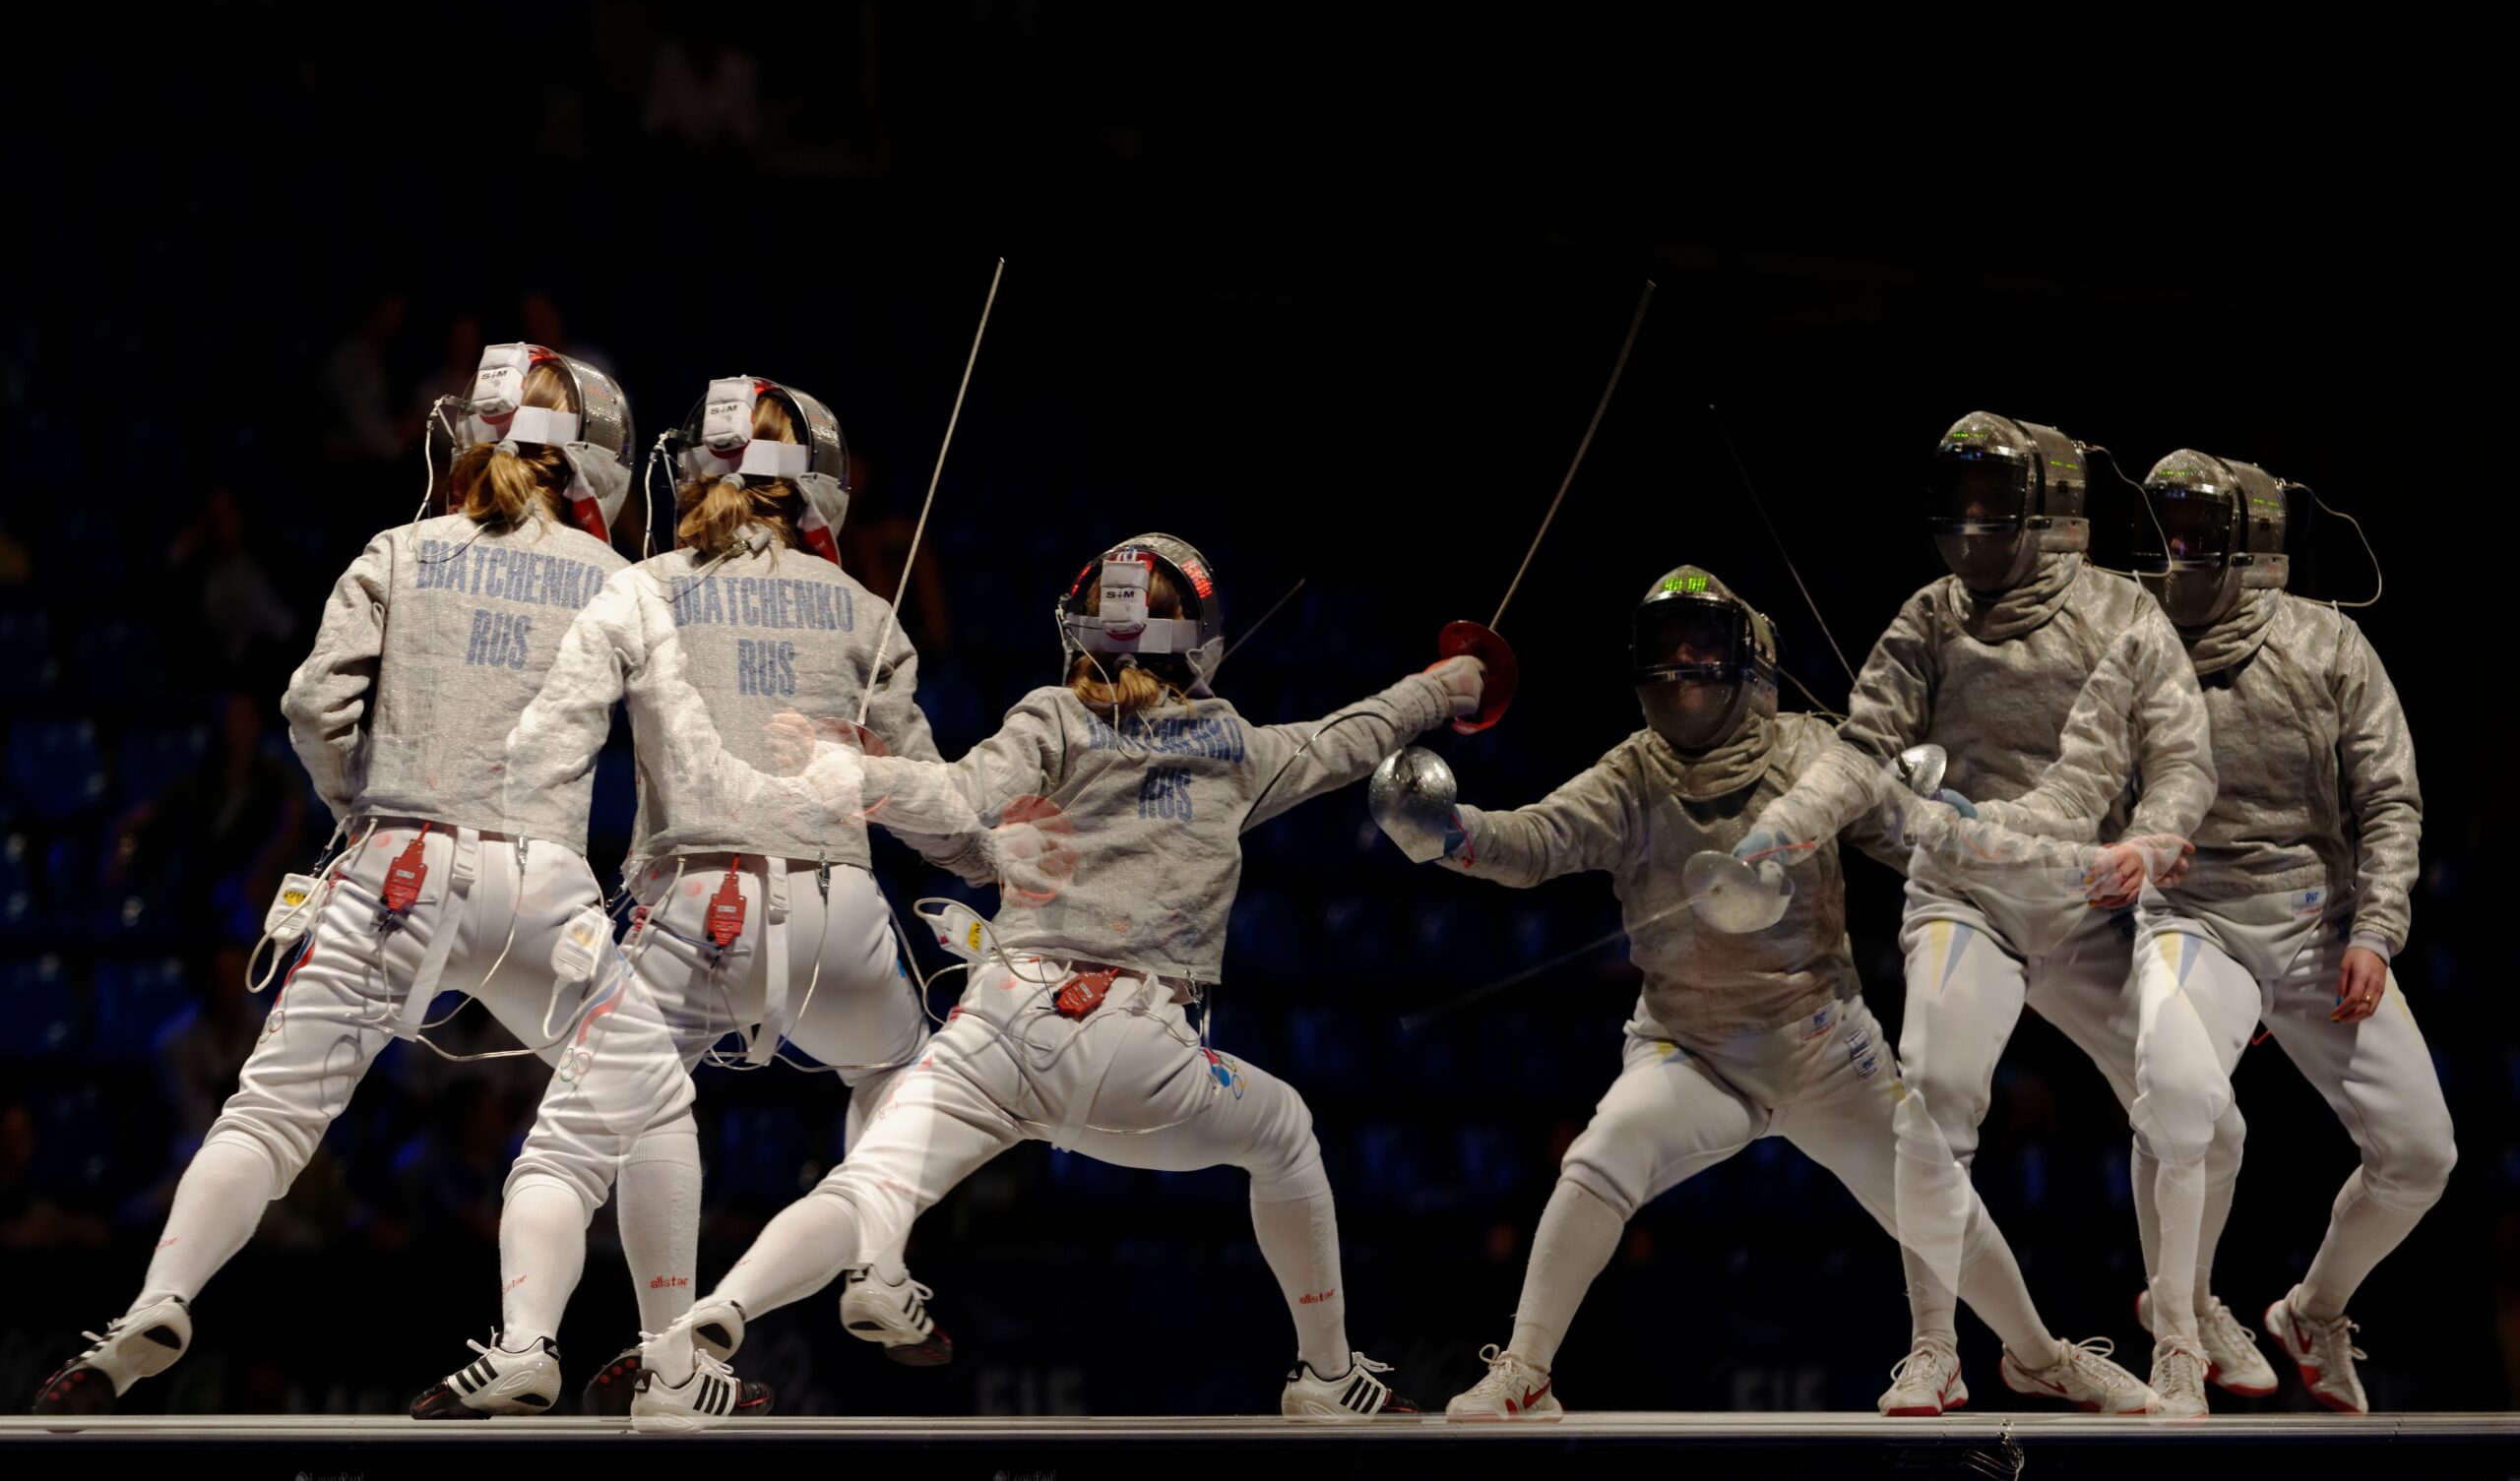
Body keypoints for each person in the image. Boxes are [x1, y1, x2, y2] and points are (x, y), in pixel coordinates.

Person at [620, 533, 1484, 1425]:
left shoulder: (1050, 717)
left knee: (866, 1186)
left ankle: (713, 1314)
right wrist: (1449, 685)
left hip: (995, 1023)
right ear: (1198, 636)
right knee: (1286, 1133)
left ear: (1082, 631)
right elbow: (1353, 739)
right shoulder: (1234, 750)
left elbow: (957, 794)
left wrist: (851, 774)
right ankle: (1327, 1378)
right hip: (1136, 1049)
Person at [31, 346, 654, 1415]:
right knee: (645, 1102)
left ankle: (157, 1303)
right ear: (594, 463)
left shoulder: (399, 550)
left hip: (392, 867)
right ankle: (574, 1343)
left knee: (269, 1117)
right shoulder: (617, 583)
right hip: (539, 883)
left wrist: (359, 808)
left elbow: (311, 708)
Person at [1381, 567, 2156, 1419]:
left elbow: (1921, 837)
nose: (1680, 663)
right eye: (1663, 646)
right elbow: (1535, 840)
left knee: (1934, 1194)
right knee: (1601, 1157)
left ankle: (2039, 1357)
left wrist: (2036, 858)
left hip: (1824, 1049)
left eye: (1700, 642)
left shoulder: (1810, 755)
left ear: (1749, 657)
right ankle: (1525, 1371)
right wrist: (1449, 837)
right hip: (1691, 1050)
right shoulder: (1634, 774)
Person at [415, 375, 987, 1420]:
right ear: (819, 483)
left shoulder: (638, 588)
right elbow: (929, 807)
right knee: (903, 1080)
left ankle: (532, 1348)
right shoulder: (867, 611)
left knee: (579, 1138)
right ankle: (876, 1264)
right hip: (838, 916)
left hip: (689, 907)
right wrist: (1003, 864)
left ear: (688, 470)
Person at [1732, 411, 2234, 1410]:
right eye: (1956, 504)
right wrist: (1789, 822)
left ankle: (2180, 1332)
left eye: (1987, 503)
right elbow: (1860, 747)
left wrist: (2145, 842)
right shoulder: (1929, 618)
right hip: (1969, 901)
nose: (1969, 525)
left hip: (2092, 907)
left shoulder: (2126, 619)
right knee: (1932, 1088)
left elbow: (2182, 757)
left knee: (2202, 1114)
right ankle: (1934, 1347)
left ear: (2044, 510)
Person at [1987, 452, 2445, 1415]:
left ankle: (2313, 1310)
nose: (2176, 557)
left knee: (2419, 1157)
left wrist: (2376, 931)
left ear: (2251, 545)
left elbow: (2389, 800)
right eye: (2166, 539)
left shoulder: (2327, 644)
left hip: (2318, 931)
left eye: (2194, 535)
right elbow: (2079, 778)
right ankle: (2177, 1342)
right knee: (2179, 1095)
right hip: (2193, 925)